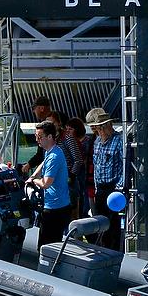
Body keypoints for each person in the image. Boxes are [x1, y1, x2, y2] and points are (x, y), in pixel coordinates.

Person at [26, 121, 71, 249]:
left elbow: (45, 184)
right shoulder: (51, 151)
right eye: (36, 136)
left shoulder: (54, 156)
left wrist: (34, 181)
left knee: (46, 246)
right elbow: (43, 164)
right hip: (57, 205)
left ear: (50, 137)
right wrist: (33, 175)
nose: (37, 140)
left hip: (55, 209)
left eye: (40, 137)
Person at [86, 107, 123, 251]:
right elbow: (96, 165)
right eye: (98, 129)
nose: (101, 131)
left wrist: (119, 188)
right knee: (101, 221)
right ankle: (103, 248)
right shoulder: (96, 142)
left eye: (103, 128)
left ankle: (112, 250)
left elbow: (124, 166)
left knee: (113, 223)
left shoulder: (118, 141)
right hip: (100, 188)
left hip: (113, 188)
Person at [46, 111, 83, 219]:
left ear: (58, 123)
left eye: (52, 123)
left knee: (71, 212)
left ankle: (73, 235)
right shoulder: (50, 139)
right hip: (53, 182)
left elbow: (78, 159)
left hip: (68, 181)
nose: (50, 126)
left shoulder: (67, 138)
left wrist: (71, 176)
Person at [22, 95, 66, 175]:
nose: (33, 112)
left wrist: (71, 175)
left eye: (34, 109)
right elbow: (41, 155)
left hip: (61, 171)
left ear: (41, 108)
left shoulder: (56, 131)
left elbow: (40, 154)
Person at [67, 117, 93, 217]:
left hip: (85, 175)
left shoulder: (87, 141)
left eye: (70, 129)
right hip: (78, 175)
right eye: (67, 129)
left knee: (85, 199)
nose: (68, 131)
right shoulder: (70, 142)